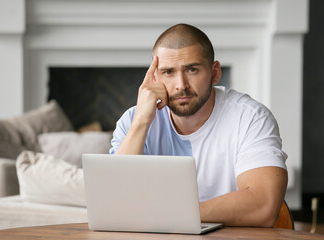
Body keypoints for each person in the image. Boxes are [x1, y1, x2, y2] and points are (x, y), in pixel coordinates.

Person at [110, 23, 288, 227]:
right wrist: (141, 122)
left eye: (192, 70)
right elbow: (115, 204)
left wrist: (174, 214)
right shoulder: (133, 121)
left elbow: (264, 206)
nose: (181, 85)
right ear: (155, 77)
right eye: (168, 72)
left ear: (215, 72)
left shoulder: (250, 118)